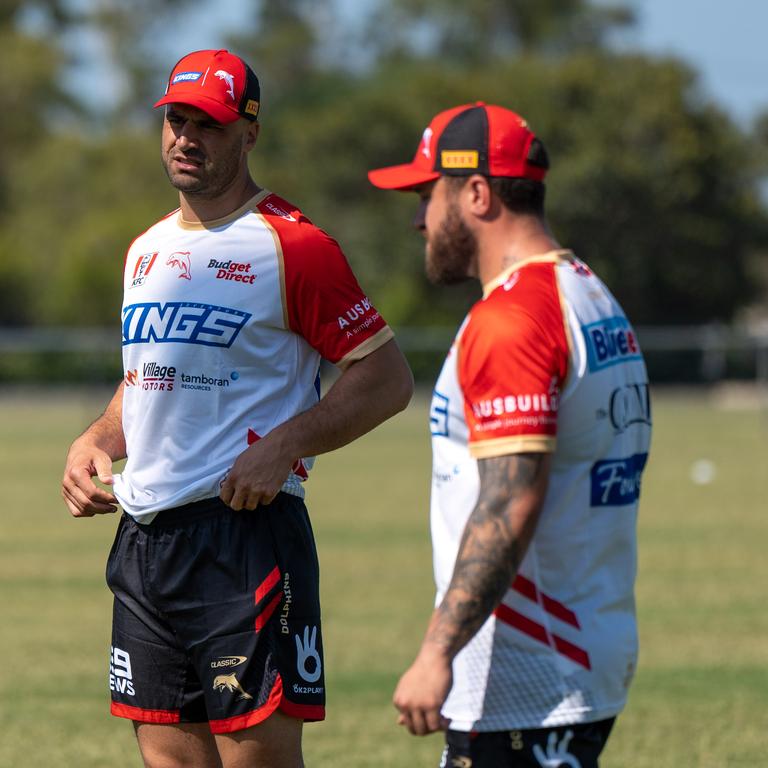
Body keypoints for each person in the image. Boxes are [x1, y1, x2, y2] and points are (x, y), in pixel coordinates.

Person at [61, 49, 413, 768]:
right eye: (176, 120)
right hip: (146, 540)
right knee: (170, 761)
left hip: (246, 537)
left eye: (209, 126)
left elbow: (385, 376)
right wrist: (97, 435)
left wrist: (286, 443)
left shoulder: (295, 246)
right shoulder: (146, 251)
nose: (186, 138)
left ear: (249, 134)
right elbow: (148, 376)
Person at [368, 102, 652, 767]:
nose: (419, 219)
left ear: (474, 192)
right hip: (577, 648)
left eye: (425, 194)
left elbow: (511, 499)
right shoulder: (589, 295)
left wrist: (437, 652)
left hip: (528, 674)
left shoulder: (513, 320)